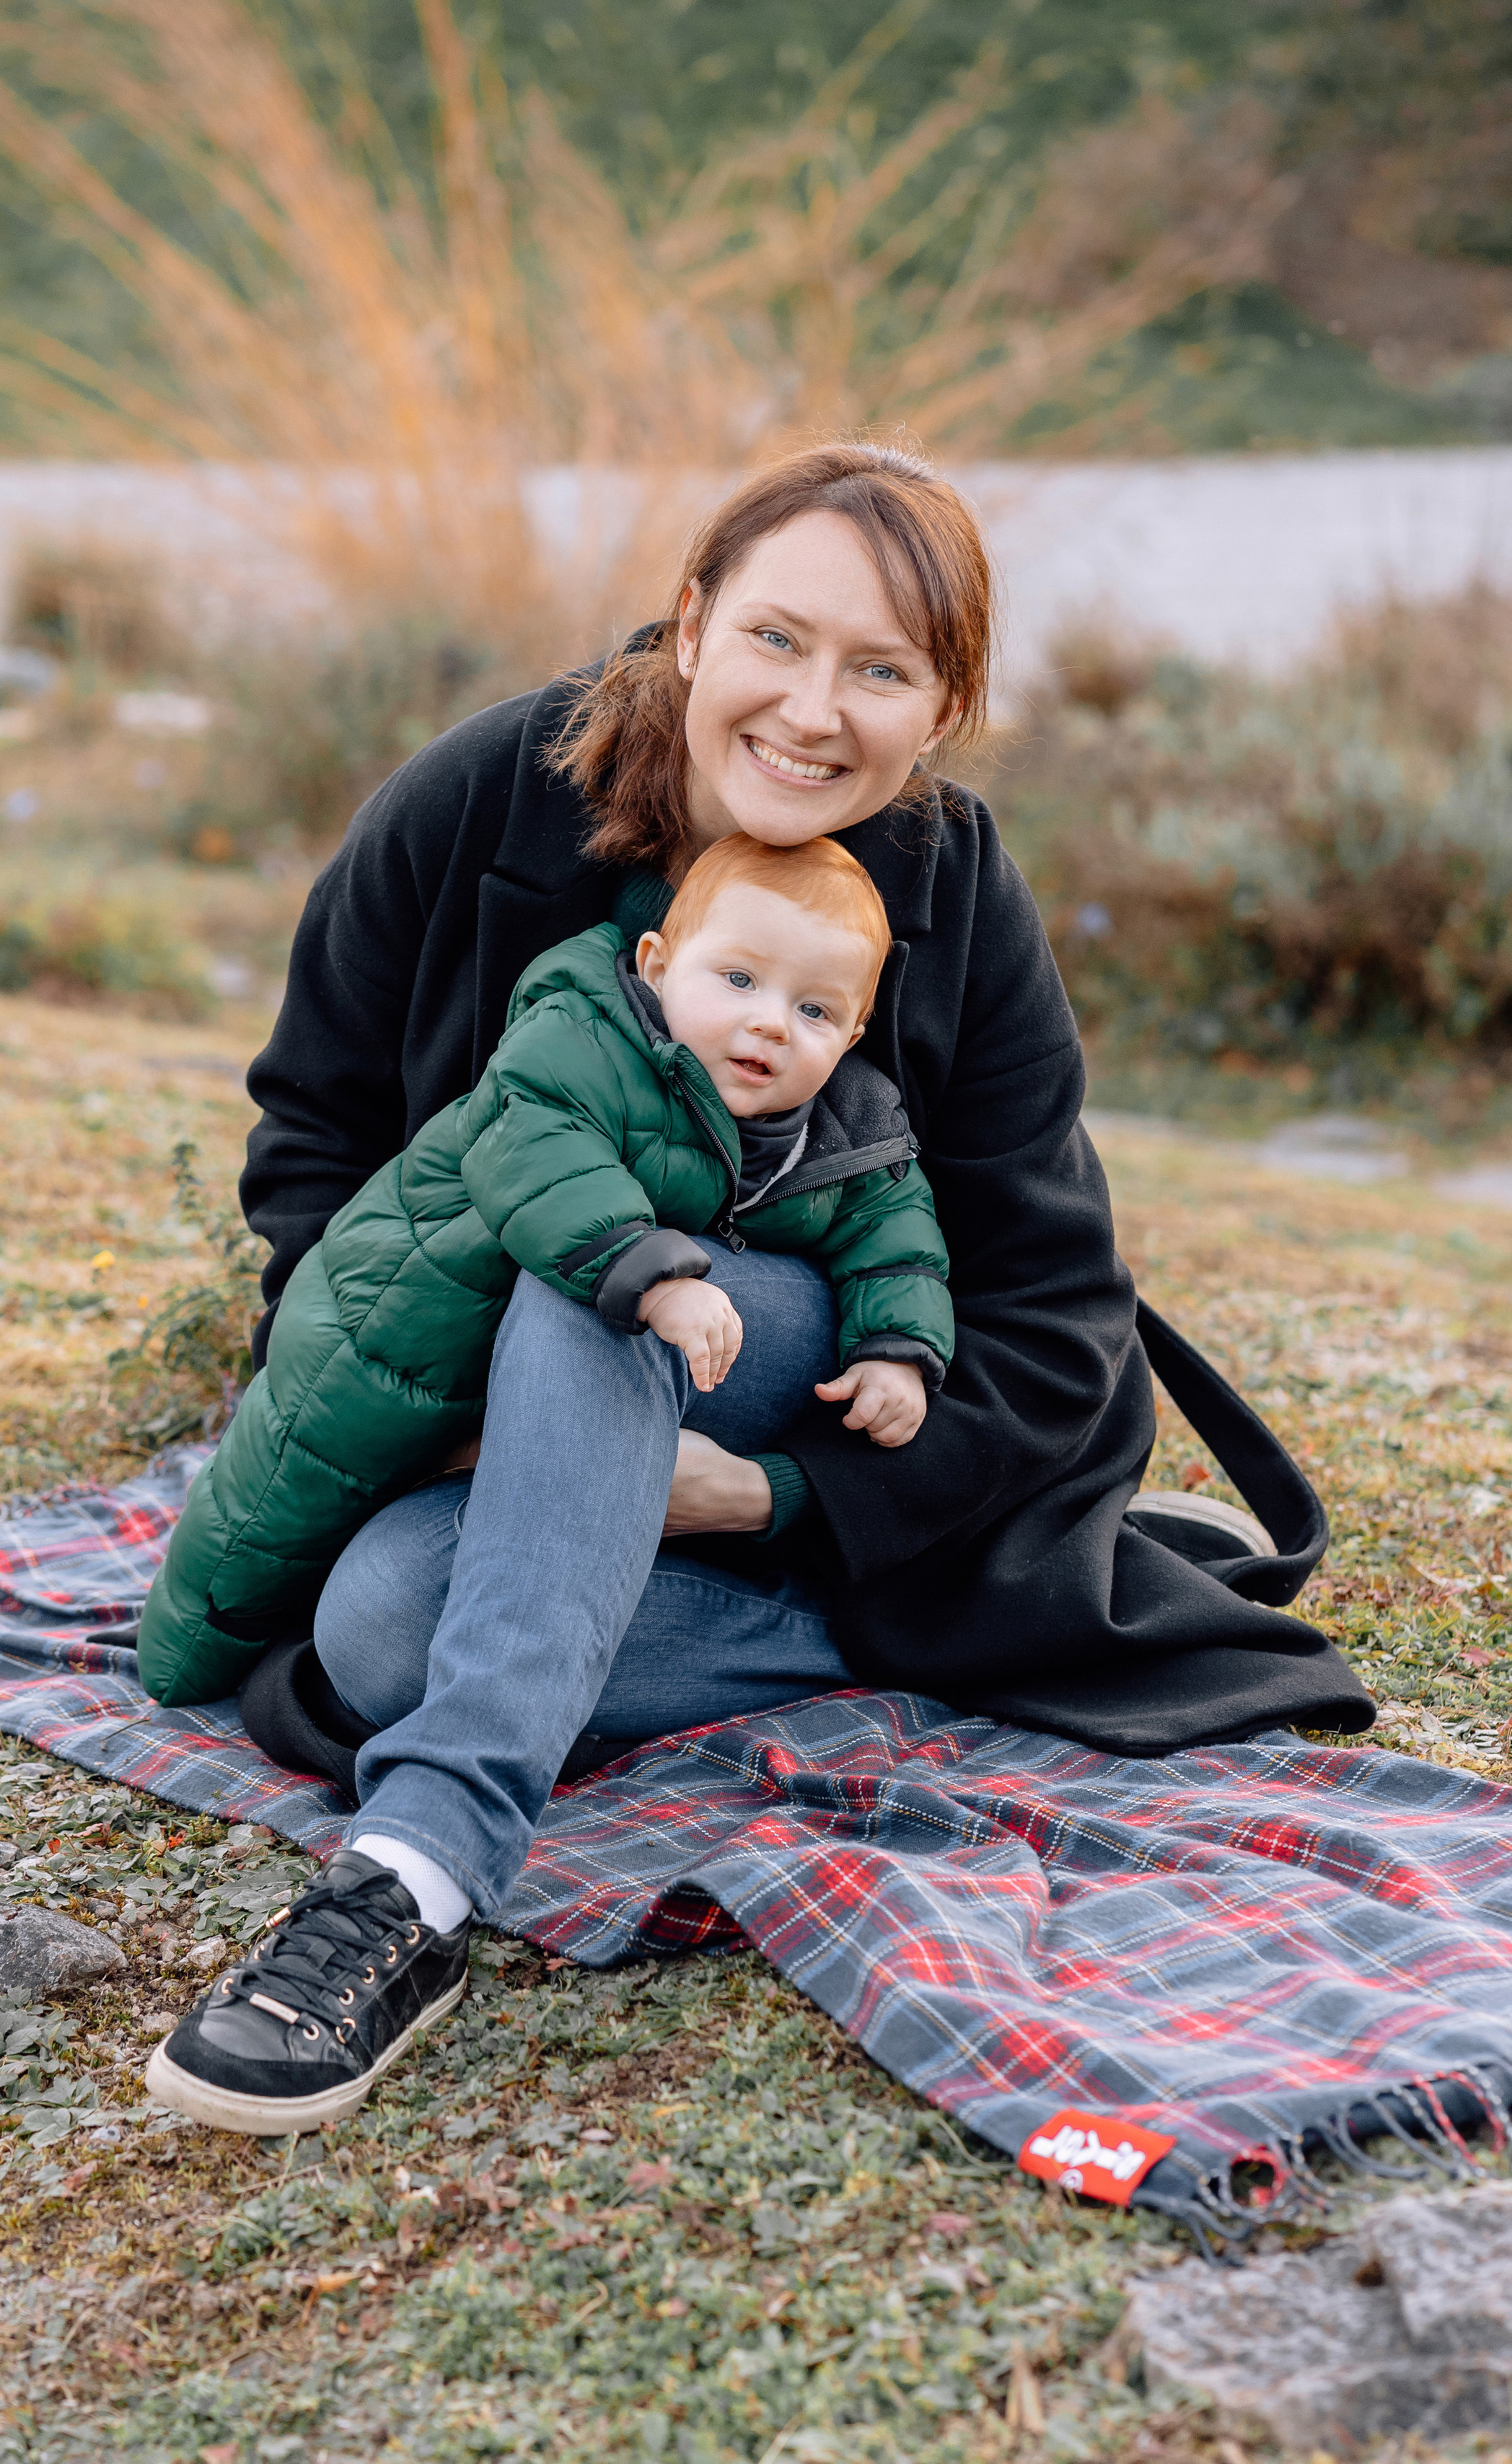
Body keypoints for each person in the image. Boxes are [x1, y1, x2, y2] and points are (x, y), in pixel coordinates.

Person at [143, 442, 1373, 2140]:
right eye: (778, 640)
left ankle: (410, 1881)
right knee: (373, 1625)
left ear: (938, 710)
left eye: (881, 670)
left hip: (806, 1384)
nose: (813, 710)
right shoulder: (481, 800)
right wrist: (405, 1398)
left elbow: (1048, 1321)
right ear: (691, 620)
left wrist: (775, 1487)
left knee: (604, 1275)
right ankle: (830, 1632)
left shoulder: (953, 897)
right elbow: (312, 1142)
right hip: (498, 1406)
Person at [137, 830, 953, 1712]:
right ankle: (192, 1651)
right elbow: (539, 1152)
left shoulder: (839, 1129)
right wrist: (654, 1275)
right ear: (656, 963)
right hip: (399, 1334)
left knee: (383, 1567)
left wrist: (897, 1348)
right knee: (289, 1504)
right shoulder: (580, 1040)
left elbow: (894, 1232)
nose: (769, 1022)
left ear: (854, 1034)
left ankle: (859, 1636)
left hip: (672, 1392)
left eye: (815, 1012)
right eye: (739, 980)